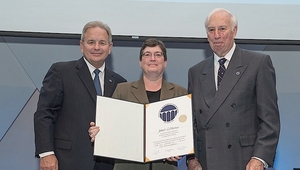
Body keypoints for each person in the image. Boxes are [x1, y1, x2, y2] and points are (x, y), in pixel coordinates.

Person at [187, 8, 280, 170]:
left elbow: (269, 120)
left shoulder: (258, 63)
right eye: (211, 30)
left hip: (244, 161)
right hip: (206, 163)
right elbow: (192, 122)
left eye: (222, 29)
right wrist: (191, 158)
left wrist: (259, 158)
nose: (216, 35)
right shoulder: (195, 72)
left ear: (234, 30)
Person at [34, 21, 127, 170]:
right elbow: (45, 113)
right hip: (67, 161)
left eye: (102, 43)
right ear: (81, 46)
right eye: (91, 42)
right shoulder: (61, 71)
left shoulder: (119, 82)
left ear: (110, 48)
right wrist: (46, 153)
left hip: (107, 164)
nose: (97, 47)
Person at [88, 38, 187, 170]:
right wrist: (99, 132)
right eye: (147, 54)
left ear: (165, 62)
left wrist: (179, 148)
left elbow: (188, 131)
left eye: (158, 55)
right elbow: (111, 128)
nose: (153, 58)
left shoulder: (180, 93)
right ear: (140, 62)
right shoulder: (123, 90)